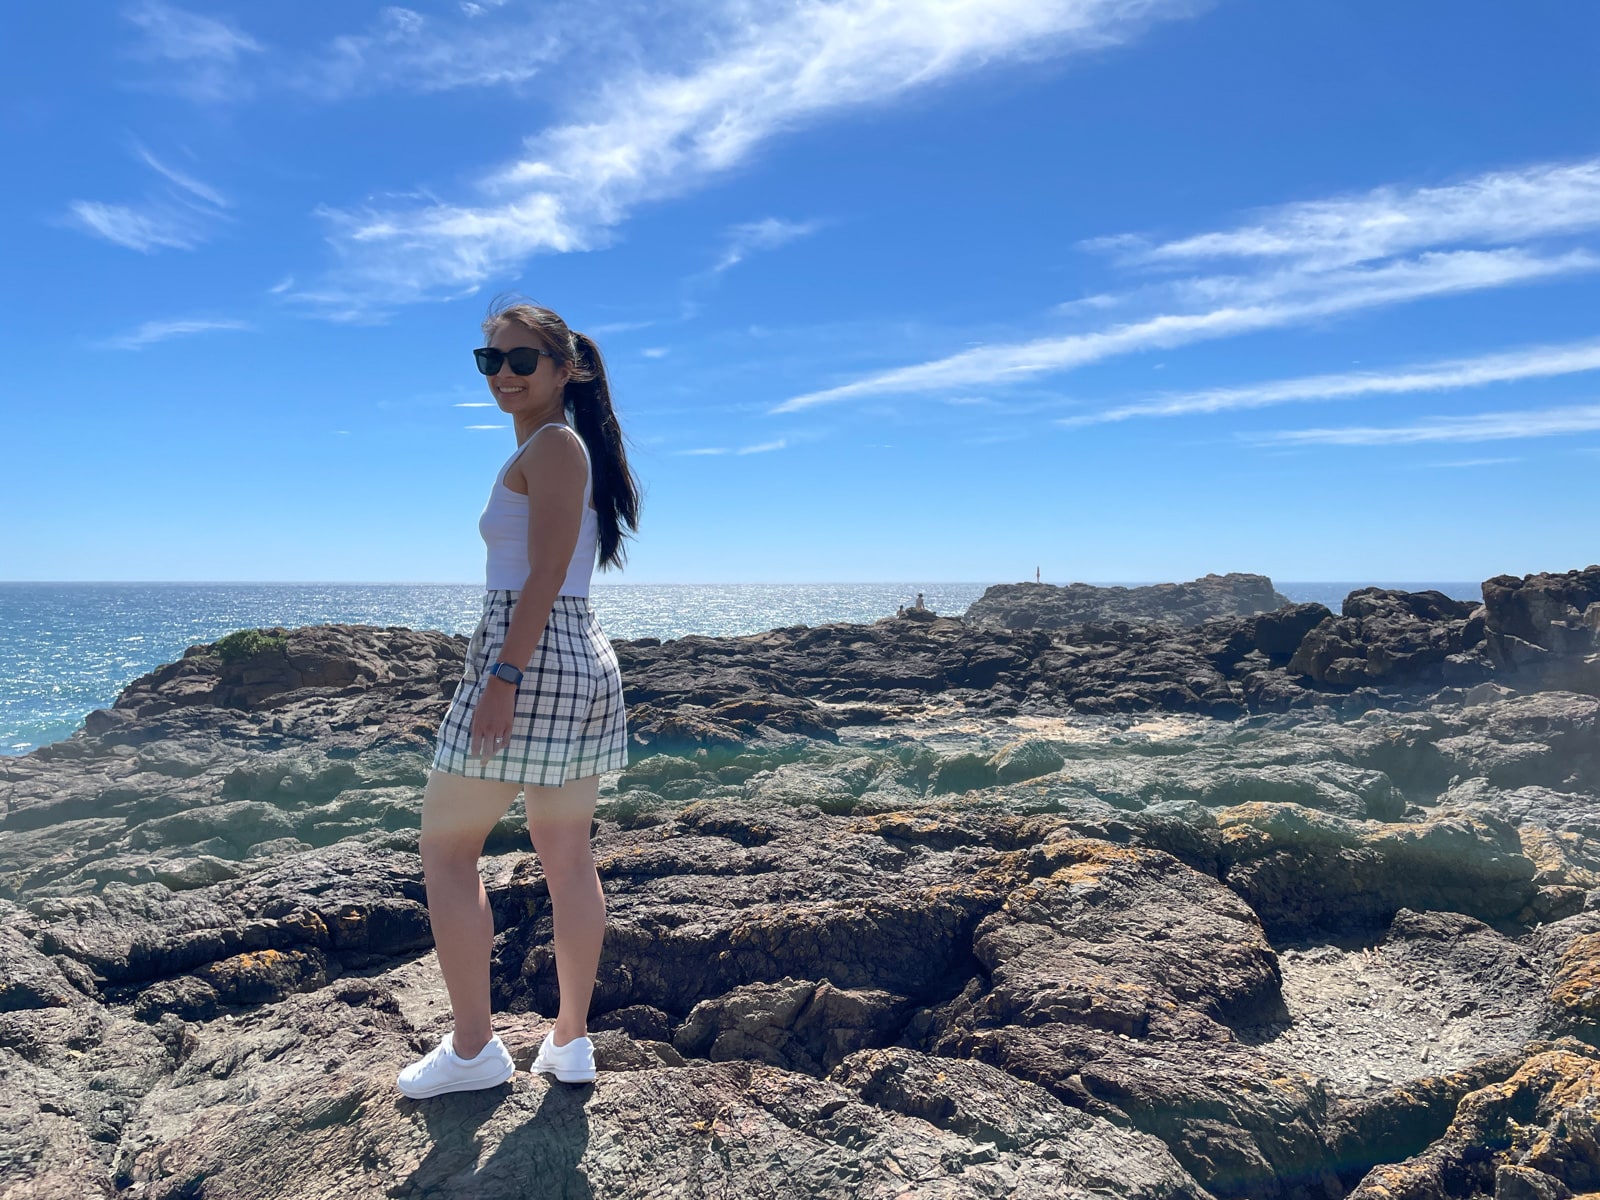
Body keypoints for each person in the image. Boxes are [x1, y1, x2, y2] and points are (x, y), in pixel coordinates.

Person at [397, 297, 641, 1100]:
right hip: (570, 658)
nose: (503, 373)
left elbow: (541, 578)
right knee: (566, 855)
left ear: (566, 368)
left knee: (446, 853)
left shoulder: (556, 446)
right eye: (490, 359)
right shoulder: (557, 447)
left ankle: (475, 1051)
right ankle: (568, 1042)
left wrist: (500, 682)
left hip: (530, 660)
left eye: (521, 359)